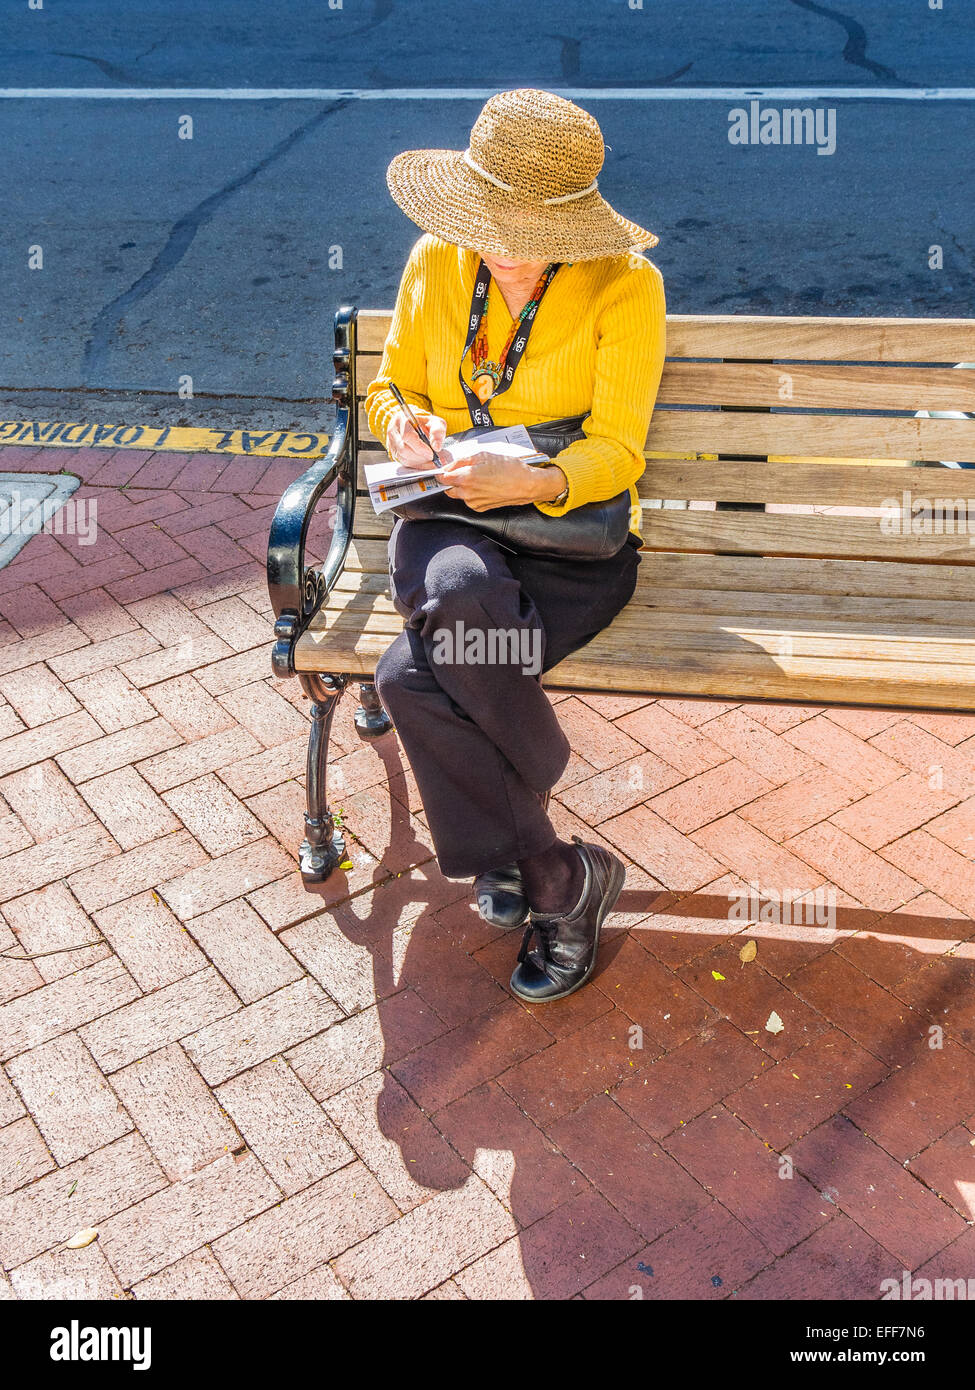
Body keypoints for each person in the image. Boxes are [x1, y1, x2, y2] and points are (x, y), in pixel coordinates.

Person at [364, 88, 666, 1003]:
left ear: (574, 224)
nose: (498, 244)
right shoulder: (435, 259)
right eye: (486, 219)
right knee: (454, 591)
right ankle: (553, 872)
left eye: (524, 229)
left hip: (568, 530)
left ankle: (516, 841)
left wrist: (532, 481)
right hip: (450, 512)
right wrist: (405, 424)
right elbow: (385, 389)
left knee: (406, 679)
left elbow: (617, 449)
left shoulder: (624, 282)